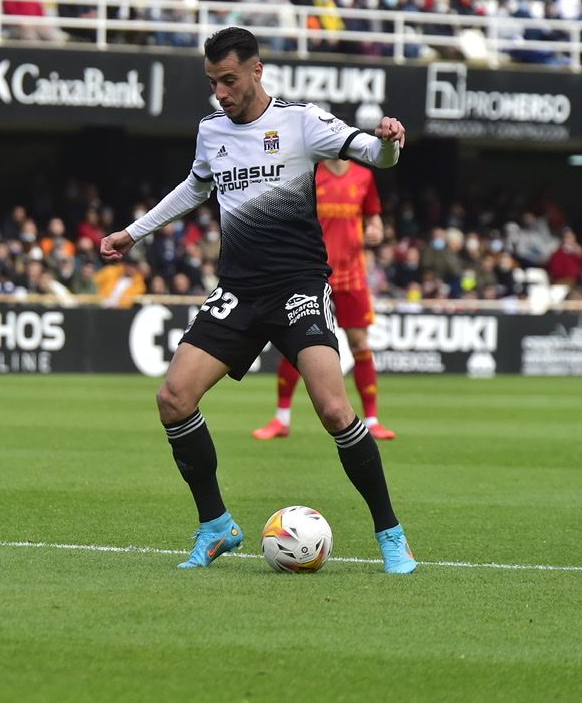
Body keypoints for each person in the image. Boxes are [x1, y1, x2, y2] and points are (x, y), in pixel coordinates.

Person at [99, 28, 416, 573]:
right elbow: (196, 187)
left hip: (297, 285)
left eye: (229, 80)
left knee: (335, 409)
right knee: (174, 398)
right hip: (239, 290)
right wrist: (134, 232)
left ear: (256, 70)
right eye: (212, 82)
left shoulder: (300, 121)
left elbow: (374, 155)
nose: (220, 92)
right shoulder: (211, 131)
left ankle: (391, 533)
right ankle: (216, 526)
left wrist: (387, 138)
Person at [253, 158, 395, 441]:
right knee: (295, 345)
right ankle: (281, 419)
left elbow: (373, 218)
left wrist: (376, 230)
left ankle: (372, 420)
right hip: (312, 273)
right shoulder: (310, 175)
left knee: (360, 344)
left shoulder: (364, 177)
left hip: (352, 276)